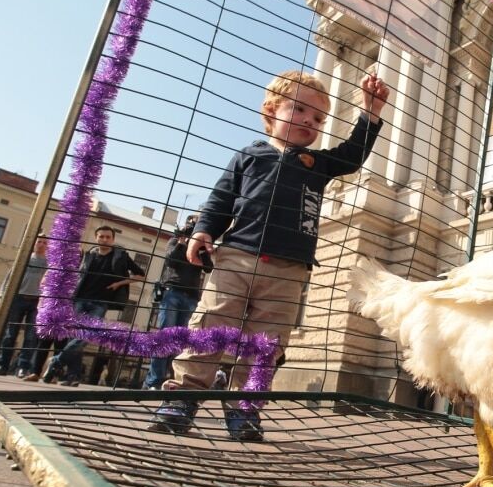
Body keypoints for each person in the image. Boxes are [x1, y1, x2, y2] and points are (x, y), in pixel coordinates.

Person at [148, 69, 390, 440]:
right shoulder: (249, 155)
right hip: (236, 258)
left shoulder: (317, 163)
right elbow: (221, 199)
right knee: (210, 326)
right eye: (300, 110)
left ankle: (245, 410)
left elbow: (352, 156)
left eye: (318, 118)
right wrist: (203, 231)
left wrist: (370, 114)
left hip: (289, 269)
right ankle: (182, 397)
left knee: (267, 342)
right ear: (271, 110)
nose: (310, 122)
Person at [42, 225, 145, 386]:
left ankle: (56, 361)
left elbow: (140, 275)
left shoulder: (121, 256)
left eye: (108, 237)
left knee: (86, 335)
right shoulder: (88, 255)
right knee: (76, 337)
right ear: (96, 238)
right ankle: (73, 376)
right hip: (80, 300)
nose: (104, 239)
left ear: (113, 239)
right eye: (101, 236)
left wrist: (119, 283)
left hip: (100, 302)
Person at [142, 214, 212, 389]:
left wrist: (201, 248)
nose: (193, 226)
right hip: (172, 292)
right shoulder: (175, 240)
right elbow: (171, 260)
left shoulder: (200, 247)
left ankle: (172, 381)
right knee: (166, 337)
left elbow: (208, 267)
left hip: (192, 297)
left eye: (197, 223)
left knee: (181, 343)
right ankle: (154, 381)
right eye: (191, 223)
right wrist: (182, 241)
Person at [0, 237, 48, 377]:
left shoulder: (49, 263)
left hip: (37, 302)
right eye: (39, 241)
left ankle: (23, 367)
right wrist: (0, 297)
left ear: (49, 246)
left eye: (45, 242)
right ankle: (2, 365)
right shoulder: (24, 258)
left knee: (31, 337)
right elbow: (8, 278)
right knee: (10, 335)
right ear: (34, 243)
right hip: (18, 298)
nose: (41, 244)